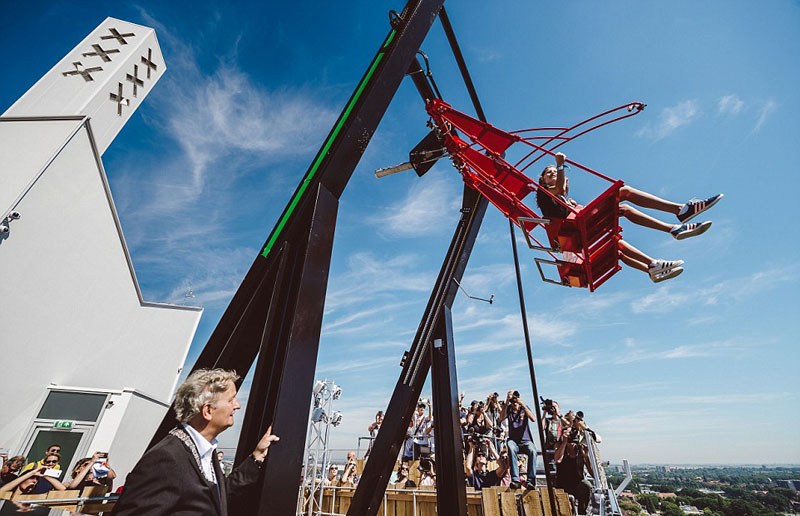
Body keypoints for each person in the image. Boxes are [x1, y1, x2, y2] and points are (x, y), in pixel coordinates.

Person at [112, 368, 280, 515]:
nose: (237, 406)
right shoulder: (166, 459)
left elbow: (218, 498)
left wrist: (256, 457)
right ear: (207, 411)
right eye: (231, 400)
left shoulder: (204, 453)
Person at [537, 152, 723, 283]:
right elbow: (559, 189)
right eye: (549, 172)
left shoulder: (567, 200)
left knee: (616, 242)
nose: (553, 173)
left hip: (582, 226)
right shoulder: (545, 194)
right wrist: (560, 164)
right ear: (543, 180)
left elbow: (563, 192)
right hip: (577, 228)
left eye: (555, 171)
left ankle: (652, 265)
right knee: (623, 193)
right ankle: (680, 212)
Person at [499, 390, 538, 489]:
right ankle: (515, 480)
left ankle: (531, 481)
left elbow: (533, 418)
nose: (514, 400)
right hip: (514, 440)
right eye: (513, 397)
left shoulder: (523, 408)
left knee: (533, 451)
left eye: (516, 397)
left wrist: (522, 404)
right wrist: (507, 401)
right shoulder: (508, 409)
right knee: (510, 447)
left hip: (526, 440)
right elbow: (501, 418)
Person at [0, 465, 66, 496]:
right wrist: (32, 473)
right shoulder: (9, 491)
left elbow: (62, 489)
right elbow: (2, 491)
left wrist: (45, 475)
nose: (35, 481)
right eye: (32, 478)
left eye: (37, 479)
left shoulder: (33, 497)